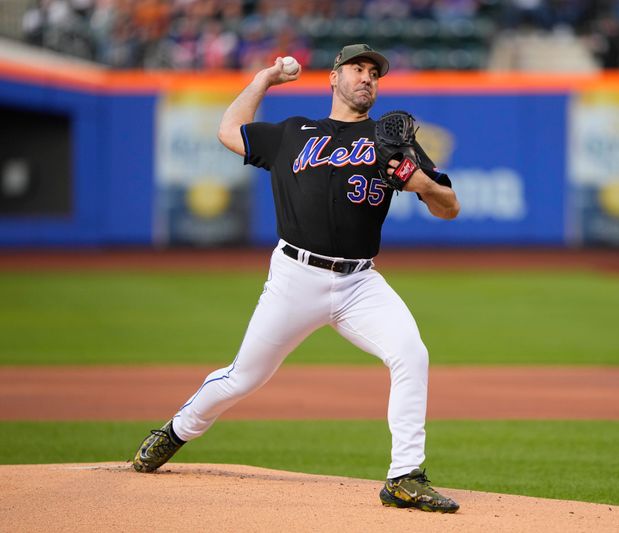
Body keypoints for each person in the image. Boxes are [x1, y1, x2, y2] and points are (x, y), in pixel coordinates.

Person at [131, 43, 461, 514]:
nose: (366, 77)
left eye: (374, 72)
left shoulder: (392, 141)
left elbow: (450, 208)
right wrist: (264, 80)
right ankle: (177, 430)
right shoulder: (293, 133)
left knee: (412, 354)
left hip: (360, 283)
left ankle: (404, 477)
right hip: (294, 277)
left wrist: (420, 181)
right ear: (333, 77)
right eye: (356, 69)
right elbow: (228, 131)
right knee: (243, 378)